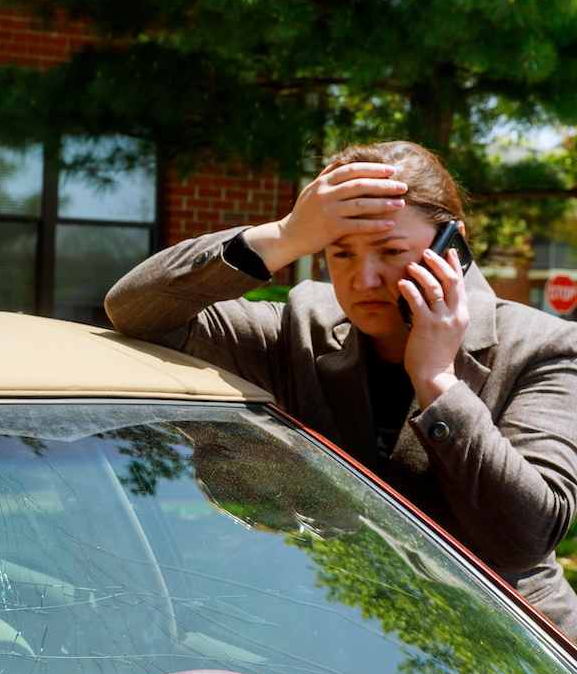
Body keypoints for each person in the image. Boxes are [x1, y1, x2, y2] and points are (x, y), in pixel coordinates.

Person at [105, 140, 577, 637]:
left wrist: (438, 382)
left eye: (392, 251)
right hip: (347, 637)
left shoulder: (544, 348)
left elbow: (523, 539)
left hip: (510, 653)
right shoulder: (304, 328)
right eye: (340, 252)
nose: (363, 278)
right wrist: (283, 237)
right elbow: (137, 312)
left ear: (452, 248)